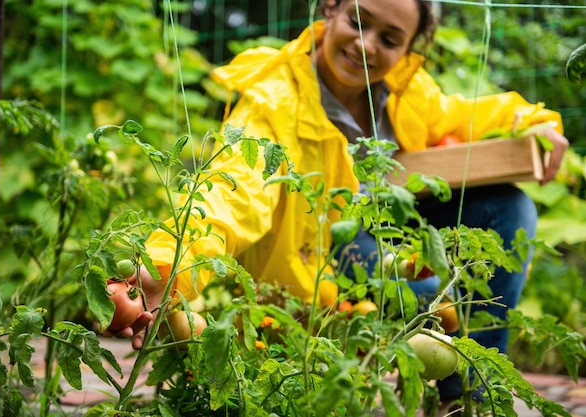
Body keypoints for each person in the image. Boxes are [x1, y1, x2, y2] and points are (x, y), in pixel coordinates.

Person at [108, 0, 569, 410]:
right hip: (321, 262)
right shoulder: (274, 102)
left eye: (390, 39)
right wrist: (167, 269)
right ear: (330, 8)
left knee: (509, 208)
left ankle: (475, 392)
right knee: (417, 294)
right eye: (358, 21)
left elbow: (464, 112)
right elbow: (233, 195)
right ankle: (447, 371)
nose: (367, 46)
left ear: (407, 49)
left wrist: (534, 122)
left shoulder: (407, 93)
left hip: (391, 242)